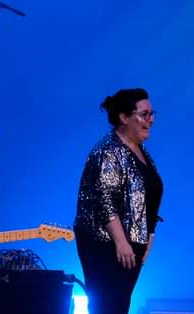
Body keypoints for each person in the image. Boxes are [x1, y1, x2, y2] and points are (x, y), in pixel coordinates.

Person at [74, 88, 164, 314]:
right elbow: (104, 200)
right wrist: (122, 242)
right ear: (124, 118)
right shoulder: (108, 150)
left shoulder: (140, 150)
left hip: (134, 241)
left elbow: (148, 199)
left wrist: (149, 237)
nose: (150, 120)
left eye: (152, 113)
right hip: (105, 243)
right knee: (108, 305)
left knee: (120, 305)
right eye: (144, 114)